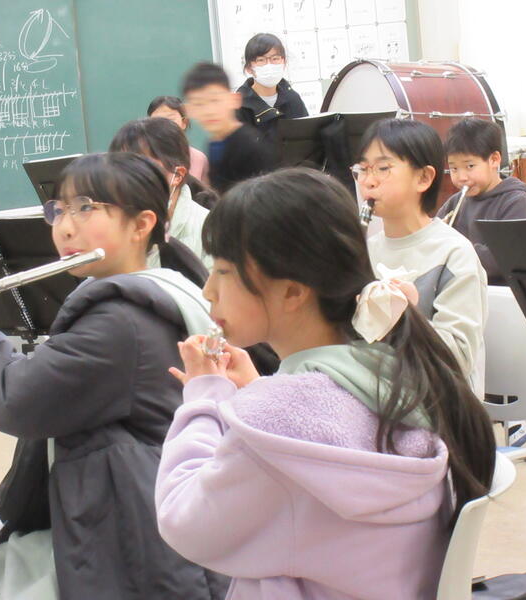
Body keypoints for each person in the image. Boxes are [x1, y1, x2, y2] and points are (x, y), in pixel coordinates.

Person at [154, 168, 496, 599]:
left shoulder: (279, 420)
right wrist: (261, 389)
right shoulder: (398, 369)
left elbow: (183, 520)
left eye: (223, 271)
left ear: (293, 292)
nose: (208, 290)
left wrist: (204, 396)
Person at [0, 153, 229, 600]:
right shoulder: (151, 293)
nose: (65, 227)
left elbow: (14, 399)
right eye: (59, 210)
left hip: (135, 545)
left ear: (142, 224)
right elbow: (45, 373)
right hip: (132, 516)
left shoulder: (121, 322)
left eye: (86, 208)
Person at [357, 118, 488, 397]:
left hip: (438, 404)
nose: (368, 181)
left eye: (383, 168)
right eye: (363, 169)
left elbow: (458, 359)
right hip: (376, 394)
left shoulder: (453, 254)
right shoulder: (365, 250)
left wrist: (408, 318)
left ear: (424, 178)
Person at [437, 118, 526, 285]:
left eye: (470, 166)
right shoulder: (455, 202)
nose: (461, 177)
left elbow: (505, 258)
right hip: (464, 287)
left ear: (494, 160)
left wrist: (451, 247)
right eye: (454, 168)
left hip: (504, 292)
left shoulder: (517, 202)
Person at [110, 117, 213, 269]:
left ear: (177, 175)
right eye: (120, 167)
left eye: (140, 168)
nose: (127, 177)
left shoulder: (210, 230)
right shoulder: (111, 226)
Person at [182, 61, 273, 194]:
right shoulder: (213, 143)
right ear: (189, 111)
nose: (209, 111)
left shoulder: (250, 145)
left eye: (215, 100)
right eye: (199, 104)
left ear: (234, 100)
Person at [236, 33, 308, 163]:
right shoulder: (239, 106)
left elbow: (307, 144)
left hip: (293, 174)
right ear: (249, 68)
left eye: (275, 58)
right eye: (261, 60)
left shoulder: (293, 99)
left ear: (284, 62)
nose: (269, 65)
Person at [147, 95, 209, 183]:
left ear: (184, 122)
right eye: (156, 121)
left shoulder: (198, 158)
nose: (163, 126)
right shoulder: (142, 156)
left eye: (170, 120)